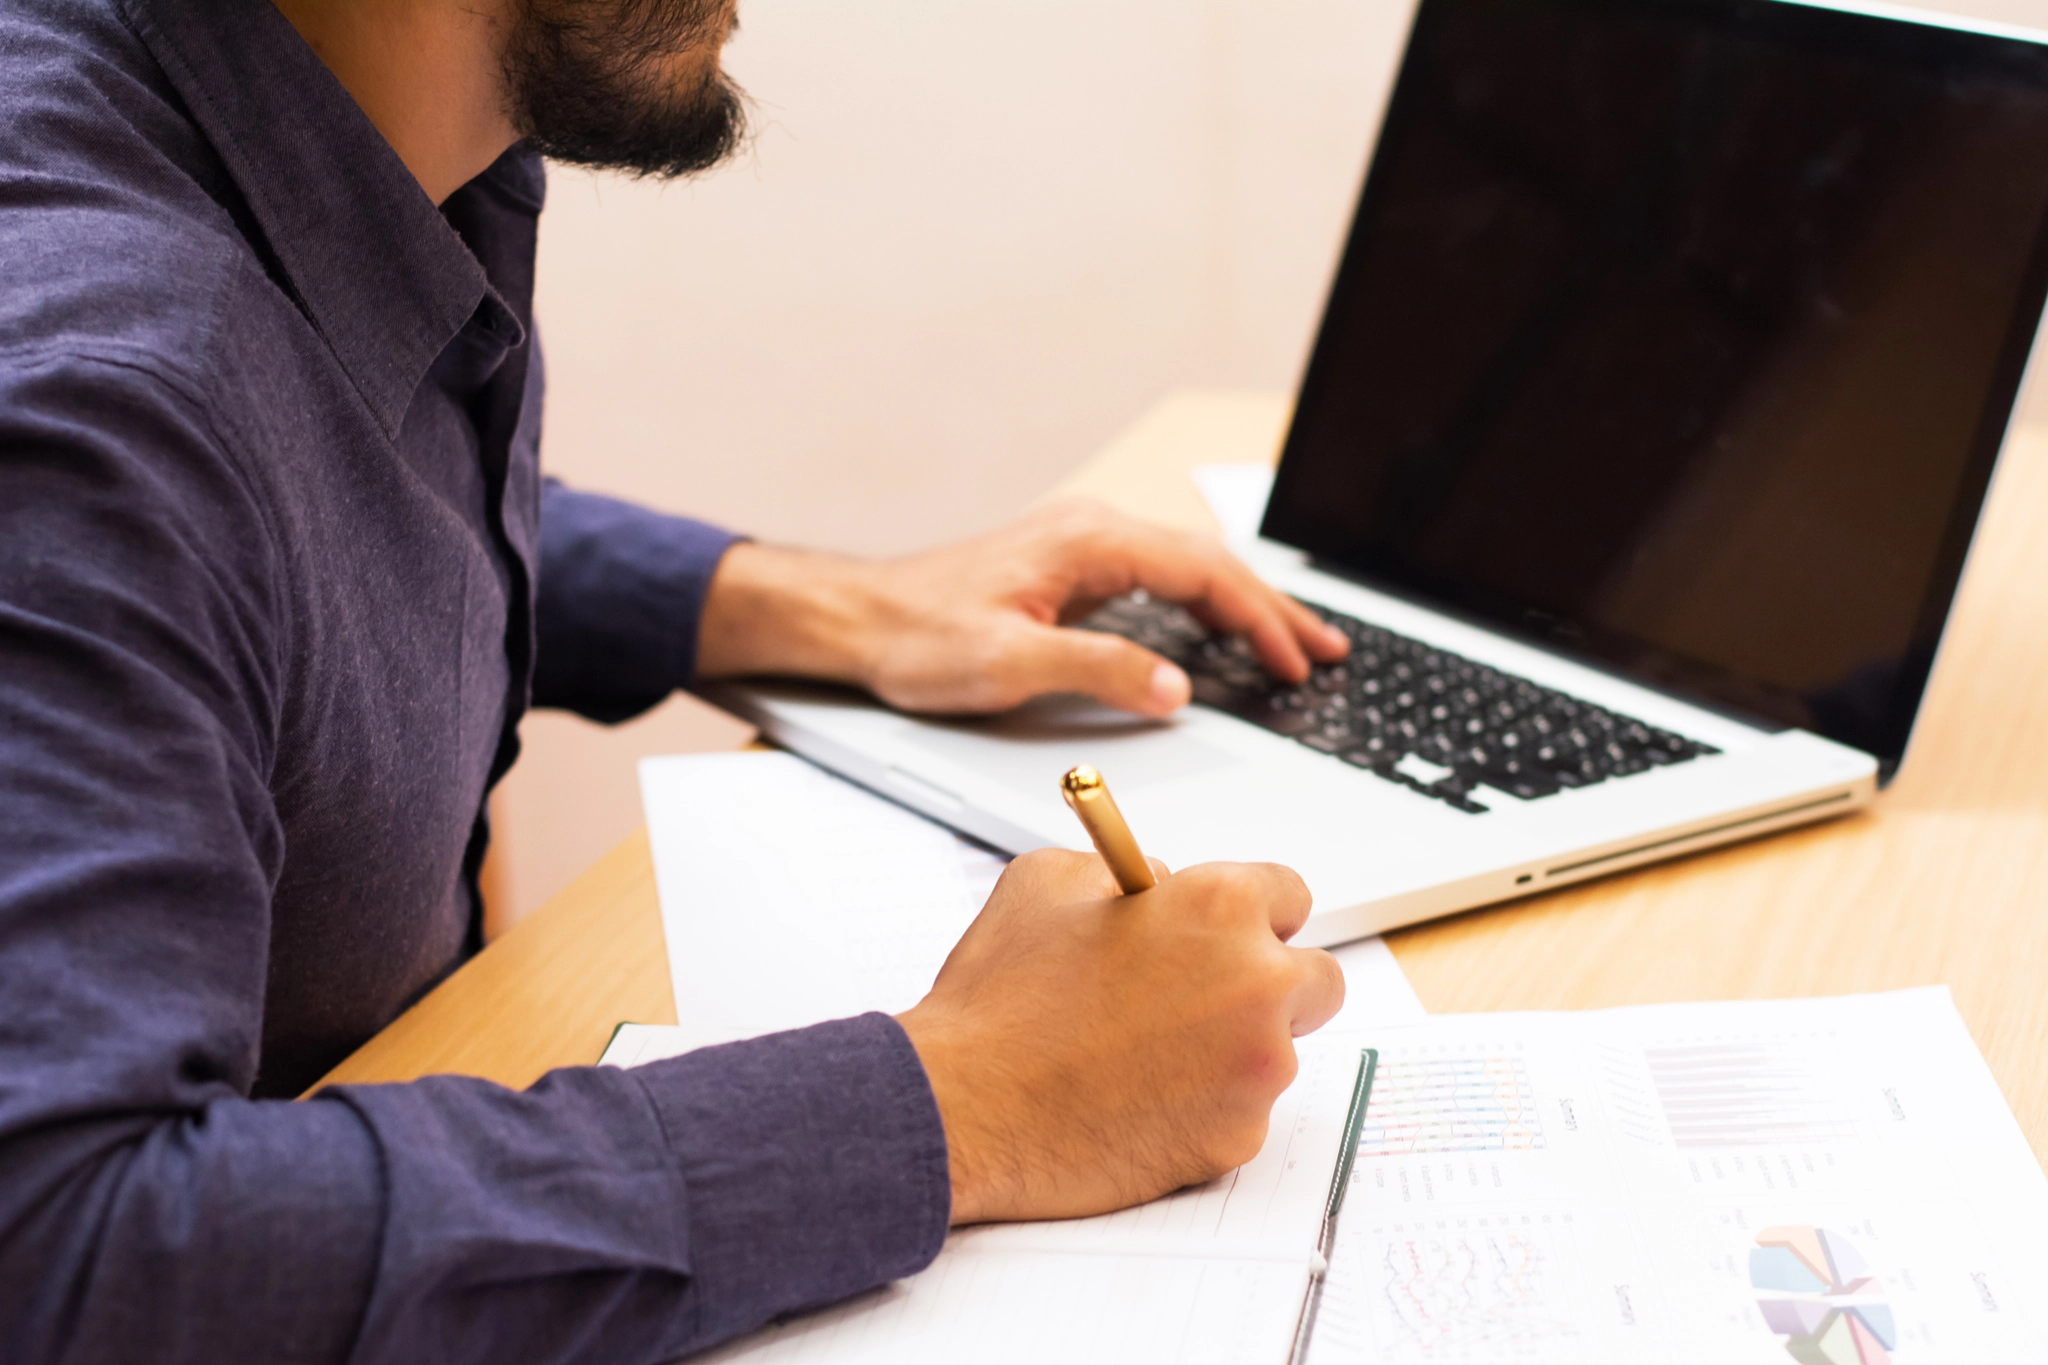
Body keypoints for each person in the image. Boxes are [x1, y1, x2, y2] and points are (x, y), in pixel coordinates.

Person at [0, 0, 1352, 1360]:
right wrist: (979, 1093)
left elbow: (271, 522)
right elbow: (64, 1253)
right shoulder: (96, 392)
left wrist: (819, 608)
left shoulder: (318, 165)